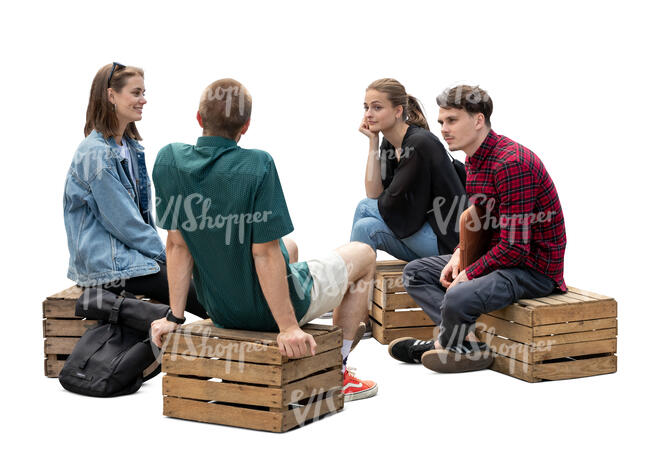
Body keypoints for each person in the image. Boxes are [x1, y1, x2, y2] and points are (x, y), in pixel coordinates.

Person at [150, 78, 378, 401]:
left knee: (292, 248)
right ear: (245, 126)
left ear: (199, 119)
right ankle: (337, 368)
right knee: (365, 253)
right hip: (268, 313)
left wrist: (175, 316)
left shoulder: (169, 160)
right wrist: (287, 327)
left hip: (220, 308)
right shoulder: (257, 164)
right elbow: (265, 255)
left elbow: (177, 245)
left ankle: (292, 327)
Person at [388, 85, 567, 373]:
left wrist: (470, 273)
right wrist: (459, 254)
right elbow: (479, 223)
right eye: (441, 122)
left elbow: (515, 248)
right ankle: (463, 341)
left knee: (459, 294)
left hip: (533, 269)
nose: (444, 129)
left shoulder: (511, 164)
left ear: (479, 120)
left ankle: (445, 345)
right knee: (416, 273)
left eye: (452, 120)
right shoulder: (474, 160)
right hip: (500, 258)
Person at [63, 62, 207, 318]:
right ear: (111, 96)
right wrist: (169, 257)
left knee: (204, 279)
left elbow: (140, 220)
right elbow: (126, 224)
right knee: (203, 294)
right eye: (136, 93)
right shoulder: (95, 155)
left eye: (143, 92)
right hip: (108, 270)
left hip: (131, 260)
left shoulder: (129, 148)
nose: (144, 100)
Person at [351, 78, 466, 261]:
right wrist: (373, 141)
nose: (368, 114)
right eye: (366, 108)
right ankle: (356, 288)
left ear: (398, 111)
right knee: (364, 228)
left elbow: (389, 204)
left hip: (447, 244)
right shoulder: (389, 143)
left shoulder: (419, 144)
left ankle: (340, 280)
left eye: (377, 107)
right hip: (420, 235)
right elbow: (374, 194)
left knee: (364, 207)